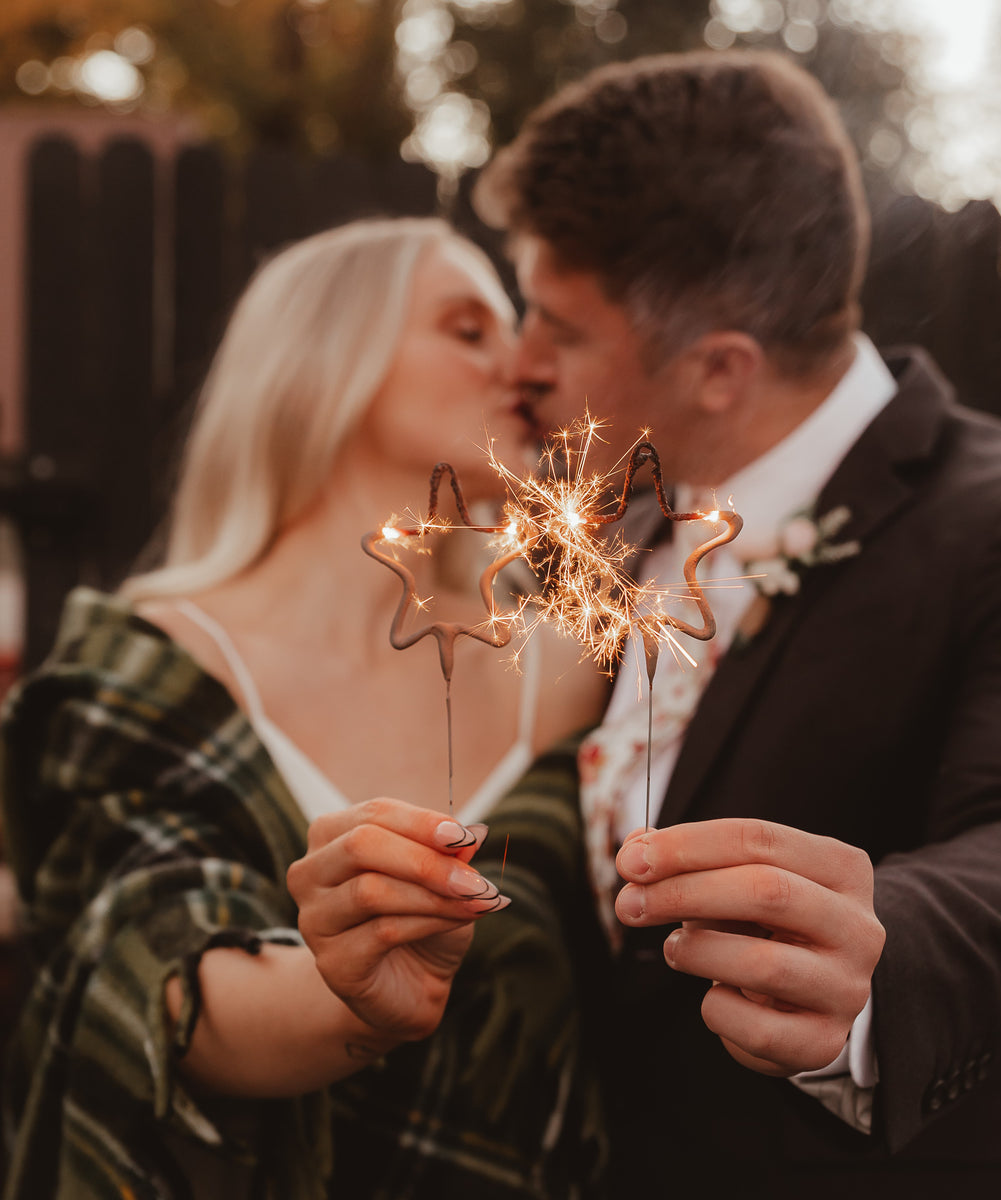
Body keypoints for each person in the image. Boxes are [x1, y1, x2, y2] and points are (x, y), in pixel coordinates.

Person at [469, 50, 1001, 1198]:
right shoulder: (606, 519)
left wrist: (885, 951)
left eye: (558, 327)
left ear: (720, 368)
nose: (522, 361)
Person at [0, 217, 609, 1198]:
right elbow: (162, 981)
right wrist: (359, 1001)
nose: (528, 366)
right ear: (327, 363)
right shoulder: (151, 663)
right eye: (468, 329)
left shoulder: (571, 671)